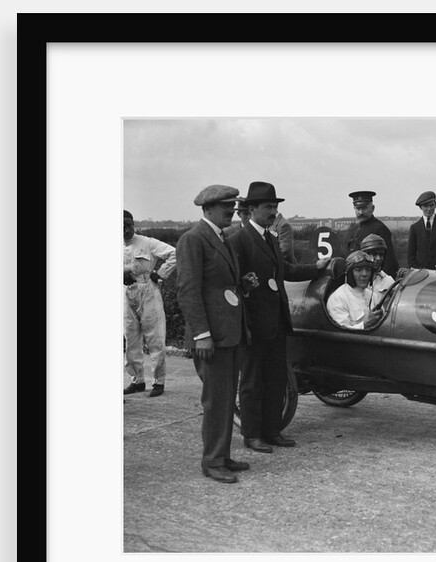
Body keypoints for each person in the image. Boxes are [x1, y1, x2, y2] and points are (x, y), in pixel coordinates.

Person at [228, 181, 329, 454]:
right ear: (252, 209)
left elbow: (285, 271)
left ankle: (272, 431)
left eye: (275, 206)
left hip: (276, 322)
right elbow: (231, 282)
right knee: (251, 381)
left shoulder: (270, 238)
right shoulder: (238, 240)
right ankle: (251, 434)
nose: (273, 211)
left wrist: (317, 270)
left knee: (275, 379)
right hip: (252, 325)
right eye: (268, 207)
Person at [176, 184, 250, 483]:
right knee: (215, 400)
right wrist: (201, 334)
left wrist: (242, 282)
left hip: (229, 333)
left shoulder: (222, 237)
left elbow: (217, 285)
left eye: (233, 207)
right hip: (212, 337)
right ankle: (212, 461)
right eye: (225, 208)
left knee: (225, 398)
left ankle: (222, 455)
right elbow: (188, 290)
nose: (231, 211)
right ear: (207, 209)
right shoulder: (193, 240)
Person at [123, 210, 177, 397]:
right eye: (120, 225)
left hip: (148, 291)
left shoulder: (146, 242)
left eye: (128, 224)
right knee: (131, 339)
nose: (125, 229)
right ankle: (137, 380)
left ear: (133, 224)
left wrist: (160, 274)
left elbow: (174, 254)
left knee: (155, 338)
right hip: (125, 293)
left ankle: (158, 382)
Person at [344, 190, 399, 278]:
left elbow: (389, 262)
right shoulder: (355, 230)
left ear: (372, 208)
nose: (361, 212)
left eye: (364, 208)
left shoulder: (380, 228)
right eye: (358, 209)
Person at [326, 250, 384, 330]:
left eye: (368, 269)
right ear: (350, 274)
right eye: (358, 270)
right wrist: (365, 325)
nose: (364, 274)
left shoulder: (374, 296)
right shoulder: (338, 299)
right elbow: (342, 333)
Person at [359, 233, 395, 308]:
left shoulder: (388, 281)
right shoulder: (356, 281)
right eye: (374, 254)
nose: (378, 258)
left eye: (381, 254)